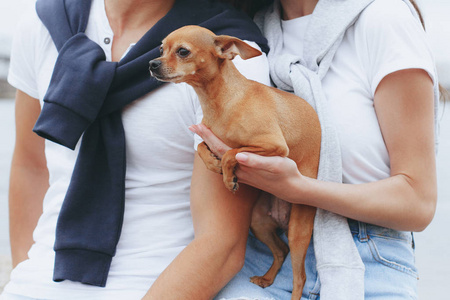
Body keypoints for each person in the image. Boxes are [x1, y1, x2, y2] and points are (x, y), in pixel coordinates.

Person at [1, 0, 271, 299]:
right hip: (34, 284)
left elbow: (222, 243)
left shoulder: (223, 55)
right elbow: (31, 165)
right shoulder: (45, 23)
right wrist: (25, 281)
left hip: (152, 287)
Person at [191, 0, 440, 299]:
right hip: (263, 255)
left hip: (366, 258)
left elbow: (417, 203)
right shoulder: (246, 34)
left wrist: (298, 189)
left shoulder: (382, 18)